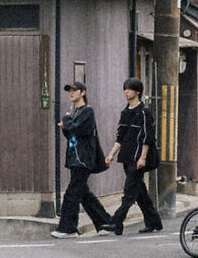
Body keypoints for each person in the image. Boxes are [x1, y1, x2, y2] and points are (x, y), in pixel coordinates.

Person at [50, 81, 111, 237]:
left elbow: (77, 128)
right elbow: (69, 132)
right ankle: (106, 223)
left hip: (84, 159)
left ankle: (68, 228)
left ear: (83, 92)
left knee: (71, 193)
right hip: (74, 157)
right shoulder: (74, 112)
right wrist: (68, 124)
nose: (71, 93)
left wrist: (66, 121)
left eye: (74, 90)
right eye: (69, 91)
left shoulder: (87, 111)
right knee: (83, 193)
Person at [106, 78, 161, 235]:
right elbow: (120, 137)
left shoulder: (144, 112)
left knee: (129, 191)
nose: (126, 91)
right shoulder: (125, 112)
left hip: (139, 158)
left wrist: (143, 157)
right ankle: (154, 222)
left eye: (129, 89)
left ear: (138, 91)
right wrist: (111, 154)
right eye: (125, 89)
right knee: (139, 191)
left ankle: (116, 222)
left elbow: (147, 137)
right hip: (127, 157)